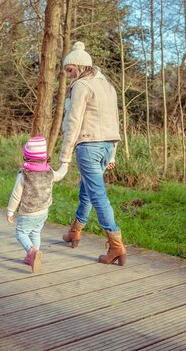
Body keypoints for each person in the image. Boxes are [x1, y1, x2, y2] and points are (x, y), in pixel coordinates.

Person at [59, 41, 127, 266]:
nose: (68, 75)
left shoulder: (81, 86)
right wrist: (114, 153)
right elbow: (114, 121)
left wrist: (65, 156)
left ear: (78, 66)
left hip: (89, 145)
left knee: (97, 195)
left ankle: (116, 245)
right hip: (107, 145)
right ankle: (75, 231)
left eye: (69, 70)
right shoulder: (107, 85)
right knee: (87, 191)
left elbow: (73, 121)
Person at [7, 136, 69, 273]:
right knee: (36, 232)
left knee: (21, 232)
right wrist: (65, 164)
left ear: (27, 156)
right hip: (43, 211)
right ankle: (33, 257)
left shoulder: (24, 174)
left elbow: (16, 195)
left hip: (28, 212)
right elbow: (59, 175)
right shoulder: (49, 171)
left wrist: (10, 211)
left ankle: (32, 252)